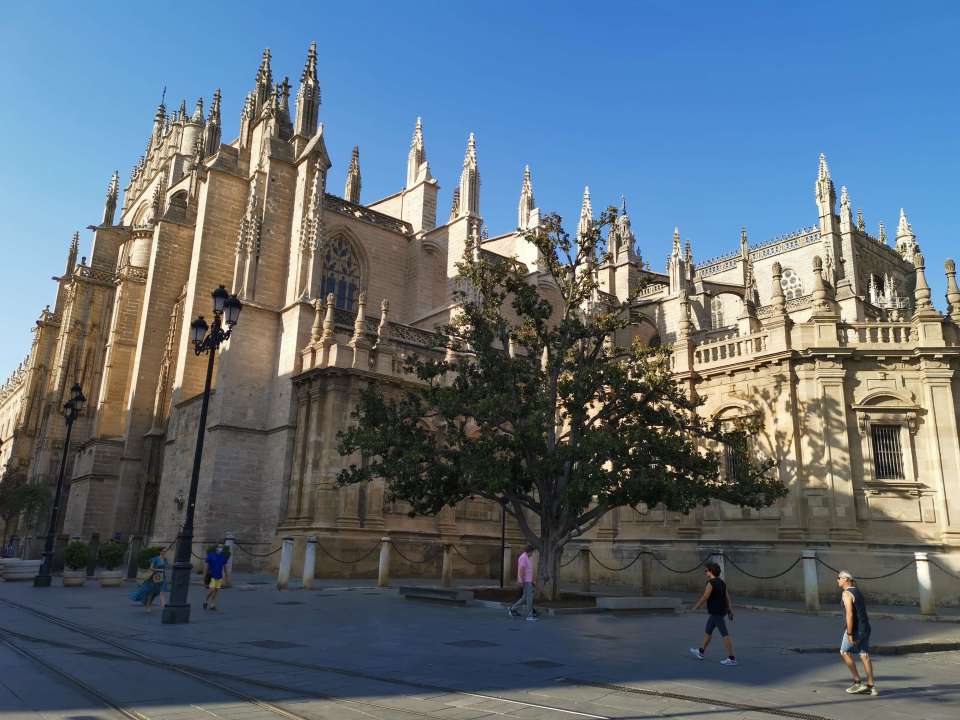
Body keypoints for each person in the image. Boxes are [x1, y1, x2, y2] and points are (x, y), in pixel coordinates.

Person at [837, 570, 877, 696]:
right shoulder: (857, 591)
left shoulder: (846, 593)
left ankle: (857, 682)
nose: (837, 580)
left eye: (839, 578)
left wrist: (849, 633)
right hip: (865, 627)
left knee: (844, 652)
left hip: (854, 629)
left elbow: (850, 614)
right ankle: (871, 686)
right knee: (864, 655)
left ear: (845, 579)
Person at [689, 562, 737, 665]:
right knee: (708, 630)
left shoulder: (710, 583)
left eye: (706, 570)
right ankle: (701, 651)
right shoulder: (722, 582)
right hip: (720, 611)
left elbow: (705, 596)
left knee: (725, 634)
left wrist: (696, 607)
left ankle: (732, 658)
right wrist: (730, 609)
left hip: (716, 612)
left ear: (711, 571)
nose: (705, 572)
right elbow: (727, 597)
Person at [508, 544, 537, 621]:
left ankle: (513, 609)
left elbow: (528, 570)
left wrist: (533, 580)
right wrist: (521, 580)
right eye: (532, 552)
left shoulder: (526, 557)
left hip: (528, 580)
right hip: (526, 581)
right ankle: (529, 615)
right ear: (530, 551)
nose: (532, 554)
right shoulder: (523, 558)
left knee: (524, 597)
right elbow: (521, 569)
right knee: (529, 598)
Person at [203, 543, 230, 611]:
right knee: (211, 590)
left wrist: (226, 576)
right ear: (216, 548)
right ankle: (205, 600)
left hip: (219, 576)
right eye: (219, 547)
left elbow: (225, 567)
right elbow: (206, 566)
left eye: (221, 547)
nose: (220, 548)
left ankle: (212, 605)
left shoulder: (223, 557)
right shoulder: (211, 555)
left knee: (216, 591)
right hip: (212, 575)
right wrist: (205, 575)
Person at [144, 547, 169, 613]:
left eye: (165, 551)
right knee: (152, 593)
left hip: (163, 577)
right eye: (163, 551)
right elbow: (151, 568)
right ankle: (148, 606)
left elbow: (165, 568)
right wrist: (159, 570)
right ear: (160, 552)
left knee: (162, 592)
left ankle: (164, 606)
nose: (164, 552)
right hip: (155, 577)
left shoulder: (165, 559)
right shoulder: (155, 559)